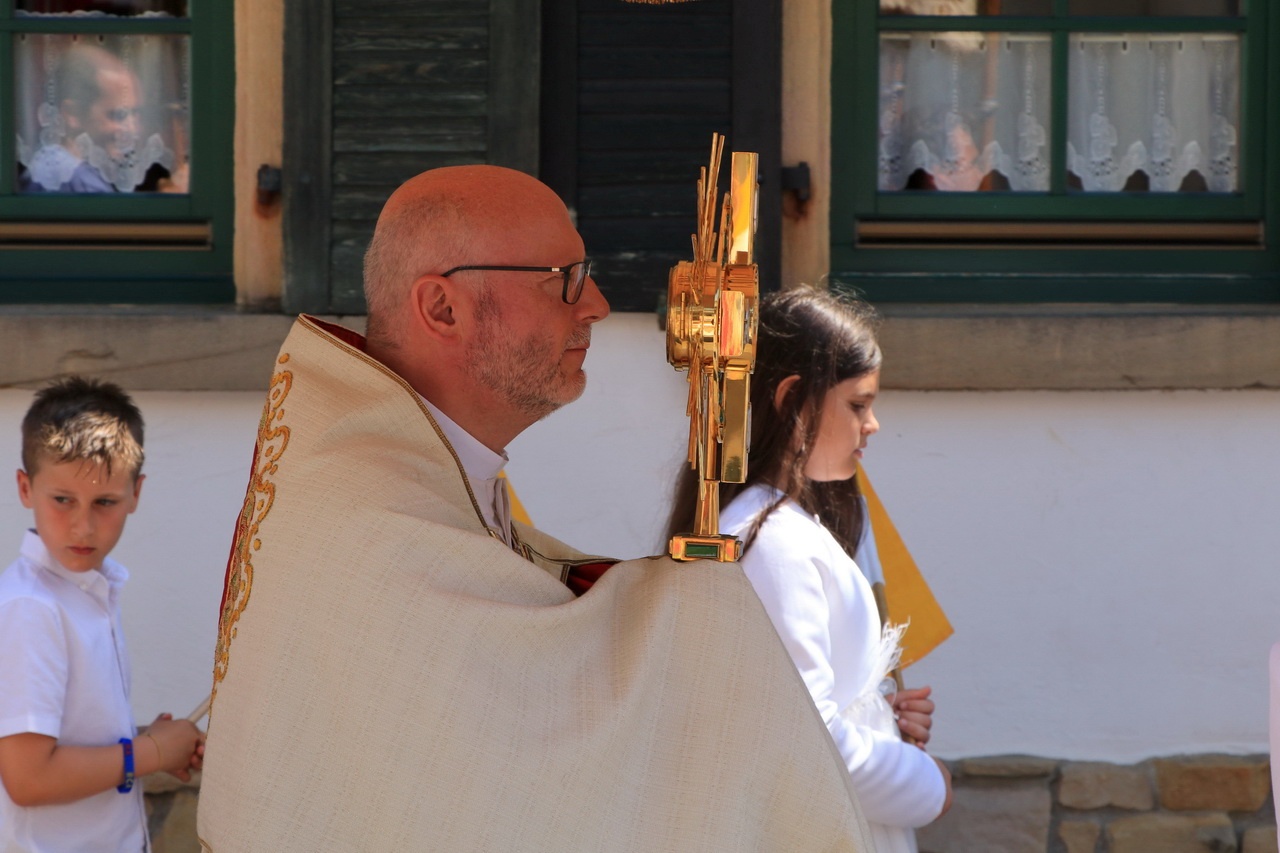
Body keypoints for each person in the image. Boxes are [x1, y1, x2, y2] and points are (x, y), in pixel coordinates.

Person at [197, 165, 877, 852]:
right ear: (443, 308)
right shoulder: (366, 519)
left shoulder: (418, 477)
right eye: (564, 280)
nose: (597, 305)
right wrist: (700, 615)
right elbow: (517, 768)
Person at [667, 287, 952, 853]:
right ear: (792, 398)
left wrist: (878, 717)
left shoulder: (768, 530)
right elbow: (805, 739)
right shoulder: (771, 543)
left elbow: (783, 710)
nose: (873, 424)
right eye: (857, 405)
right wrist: (929, 784)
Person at [0, 376, 205, 852]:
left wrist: (150, 741)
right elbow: (29, 778)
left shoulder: (90, 591)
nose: (83, 526)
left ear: (136, 493)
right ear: (25, 487)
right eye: (63, 500)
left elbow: (71, 736)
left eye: (105, 503)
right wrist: (148, 753)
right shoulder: (31, 609)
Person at [19, 43, 184, 194]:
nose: (133, 129)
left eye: (135, 114)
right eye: (118, 116)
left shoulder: (51, 164)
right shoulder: (77, 180)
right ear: (72, 114)